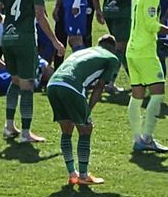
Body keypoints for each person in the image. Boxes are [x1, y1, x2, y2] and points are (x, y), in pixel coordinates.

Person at [0, 0, 66, 143]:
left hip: (8, 38)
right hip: (25, 40)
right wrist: (54, 41)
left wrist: (9, 25)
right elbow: (40, 17)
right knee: (27, 87)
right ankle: (25, 133)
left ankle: (9, 126)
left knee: (15, 81)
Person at [46, 35, 122, 186]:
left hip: (52, 84)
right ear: (112, 48)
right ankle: (83, 175)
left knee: (66, 129)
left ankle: (72, 174)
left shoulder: (84, 52)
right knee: (86, 129)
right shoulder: (112, 58)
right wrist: (88, 110)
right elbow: (100, 86)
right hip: (71, 87)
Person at [125, 0, 168, 154]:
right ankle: (147, 137)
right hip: (145, 52)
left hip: (132, 51)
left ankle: (138, 138)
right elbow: (151, 24)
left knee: (137, 96)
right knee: (158, 92)